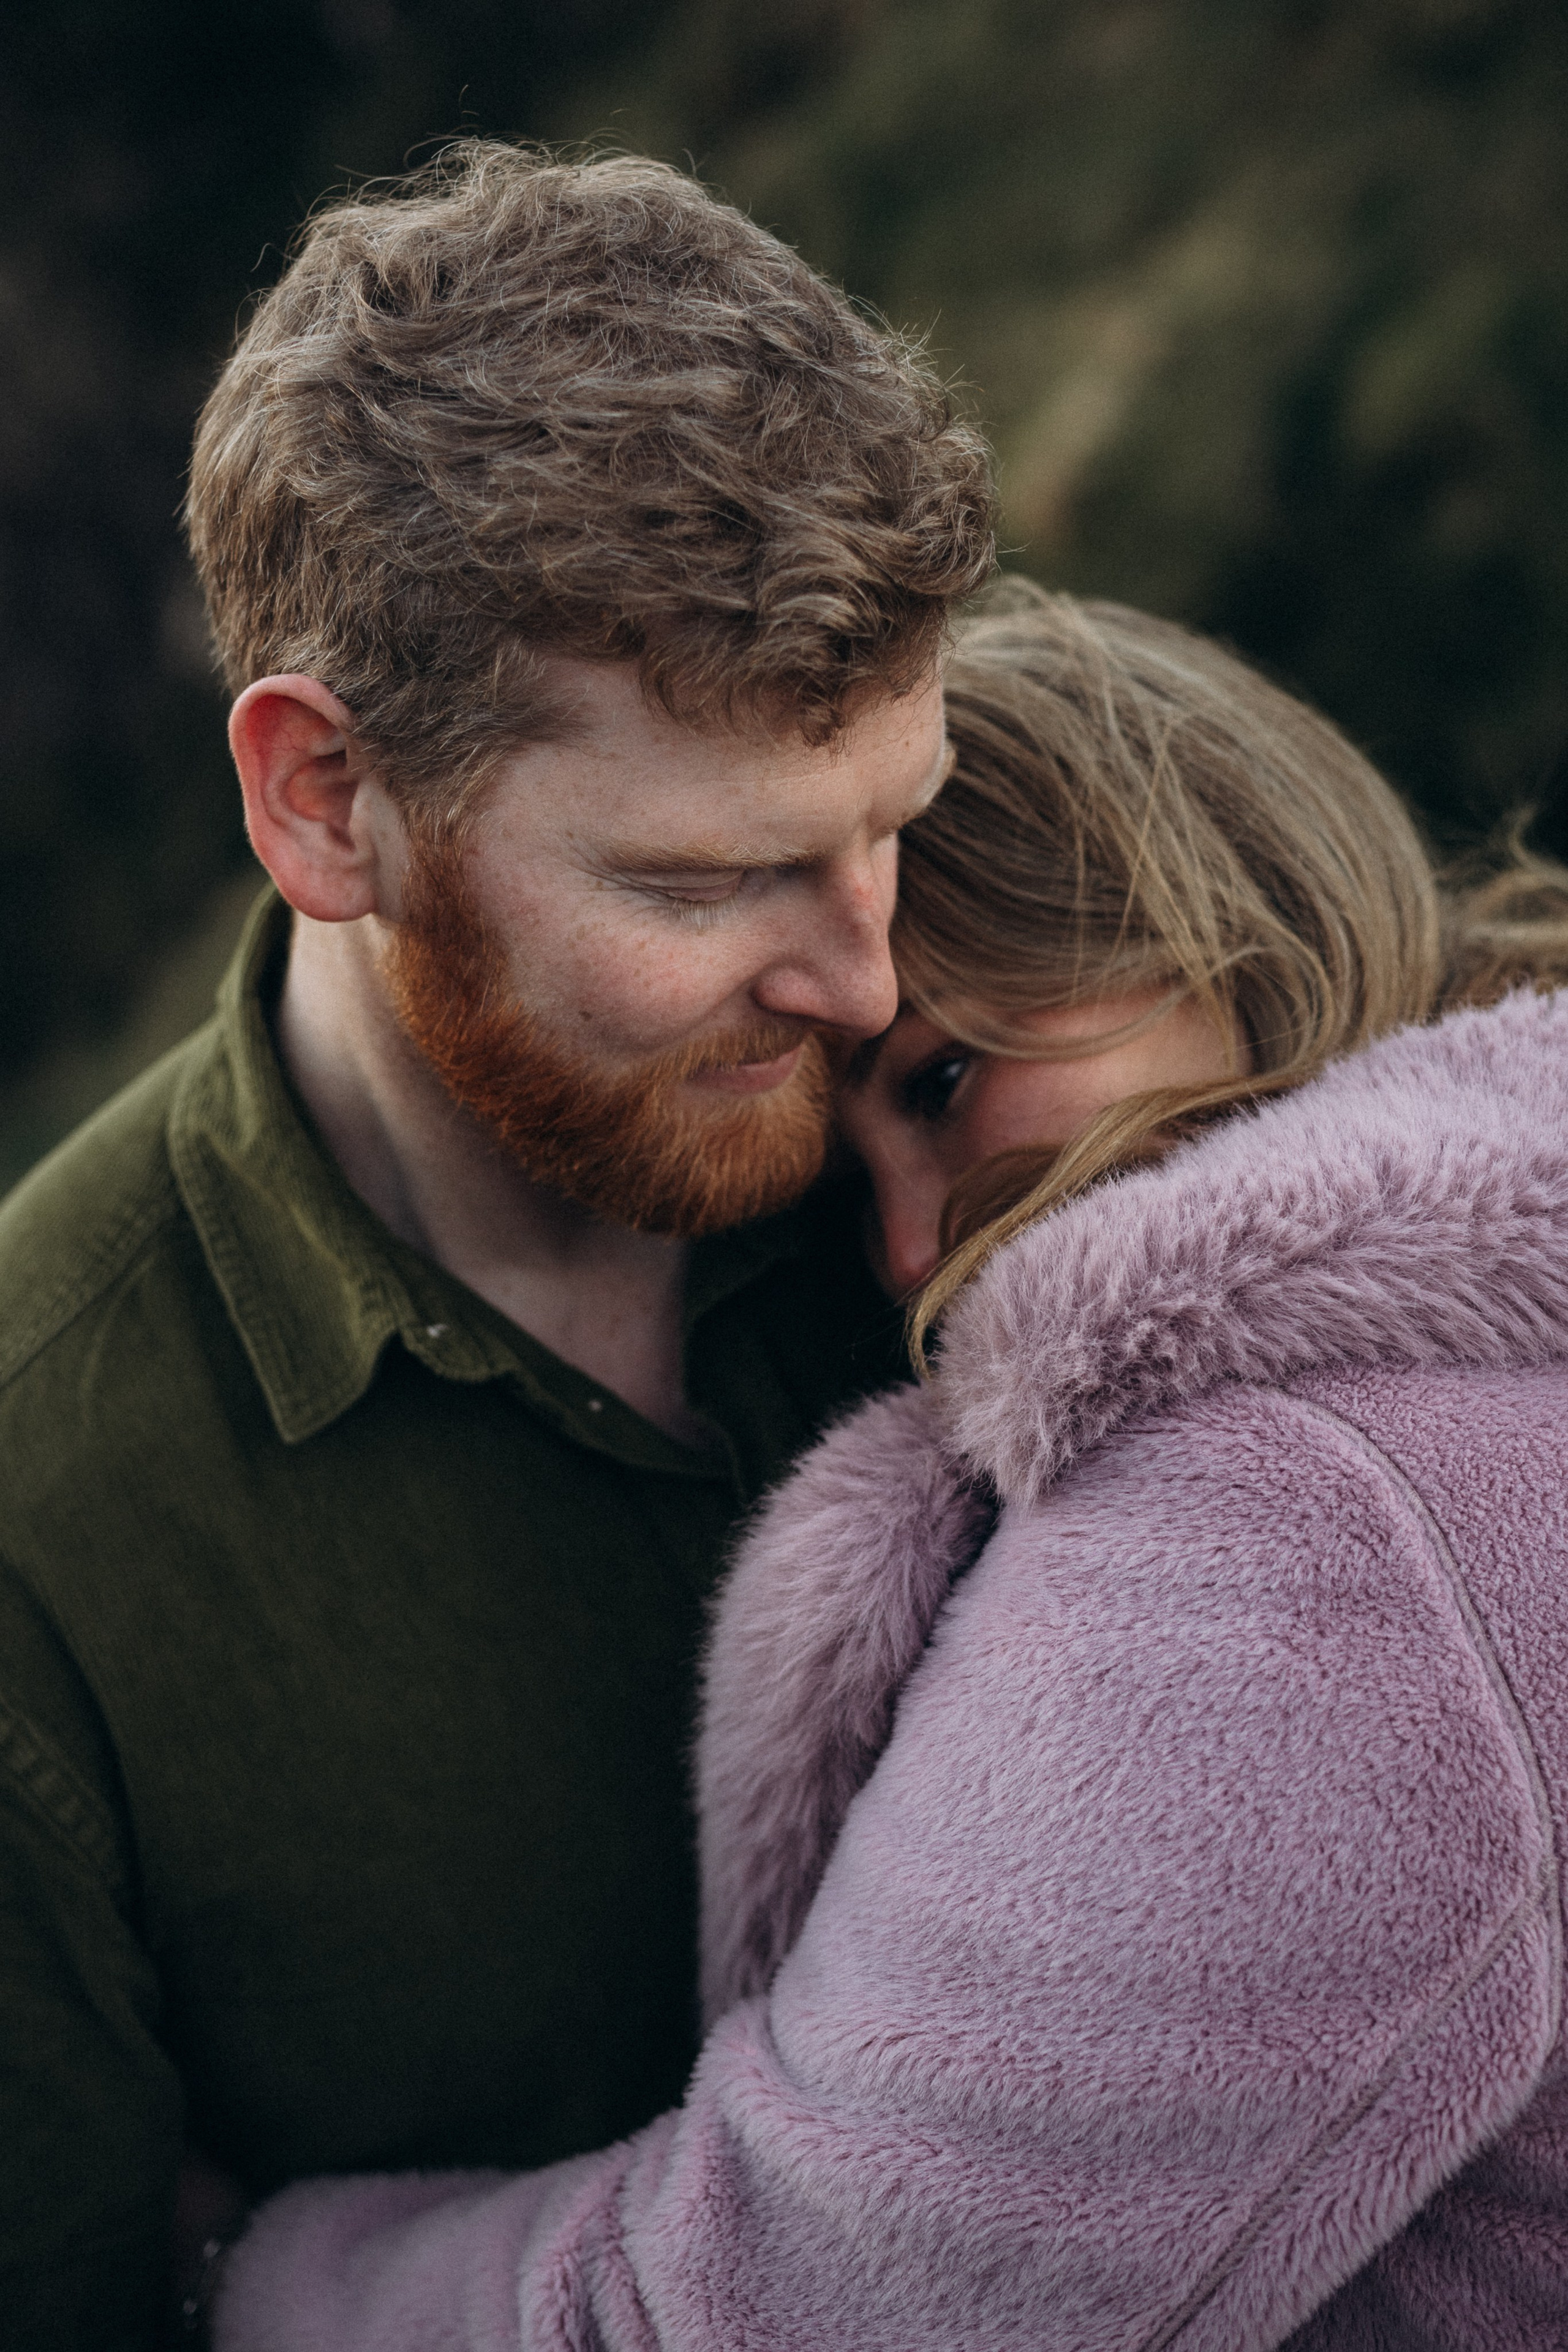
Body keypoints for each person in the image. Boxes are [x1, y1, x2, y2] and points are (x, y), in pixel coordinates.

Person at [210, 584, 1568, 2348]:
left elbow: (782, 2307)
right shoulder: (1494, 1287)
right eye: (853, 1186)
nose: (916, 1258)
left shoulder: (1296, 1531)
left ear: (1218, 916)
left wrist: (246, 2288)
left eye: (940, 1085)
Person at [0, 142, 993, 2345]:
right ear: (325, 802)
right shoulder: (36, 1541)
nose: (865, 981)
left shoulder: (1059, 1058)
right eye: (697, 883)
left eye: (894, 822)